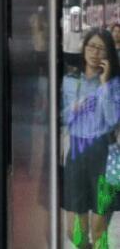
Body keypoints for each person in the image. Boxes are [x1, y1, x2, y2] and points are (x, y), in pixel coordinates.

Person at [62, 29, 120, 249]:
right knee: (74, 232)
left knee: (98, 231)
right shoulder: (69, 80)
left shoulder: (114, 84)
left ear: (109, 54)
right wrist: (73, 109)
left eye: (101, 49)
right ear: (84, 48)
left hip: (105, 155)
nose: (95, 53)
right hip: (76, 154)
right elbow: (60, 117)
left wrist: (104, 85)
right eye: (92, 46)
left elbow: (113, 120)